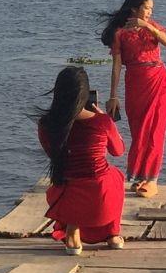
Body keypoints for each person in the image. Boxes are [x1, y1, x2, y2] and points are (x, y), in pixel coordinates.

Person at [37, 65, 126, 254]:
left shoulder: (46, 124)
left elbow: (53, 154)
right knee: (116, 176)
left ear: (58, 93)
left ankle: (72, 232)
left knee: (70, 182)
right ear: (85, 95)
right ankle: (112, 234)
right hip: (99, 192)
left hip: (68, 190)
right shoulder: (101, 122)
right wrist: (106, 120)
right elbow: (118, 151)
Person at [101, 0, 166, 199]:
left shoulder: (153, 27)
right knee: (139, 131)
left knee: (155, 130)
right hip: (134, 82)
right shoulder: (120, 33)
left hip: (158, 81)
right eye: (146, 8)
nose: (150, 12)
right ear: (134, 8)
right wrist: (113, 95)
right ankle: (138, 177)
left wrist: (147, 26)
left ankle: (152, 179)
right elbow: (116, 66)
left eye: (151, 8)